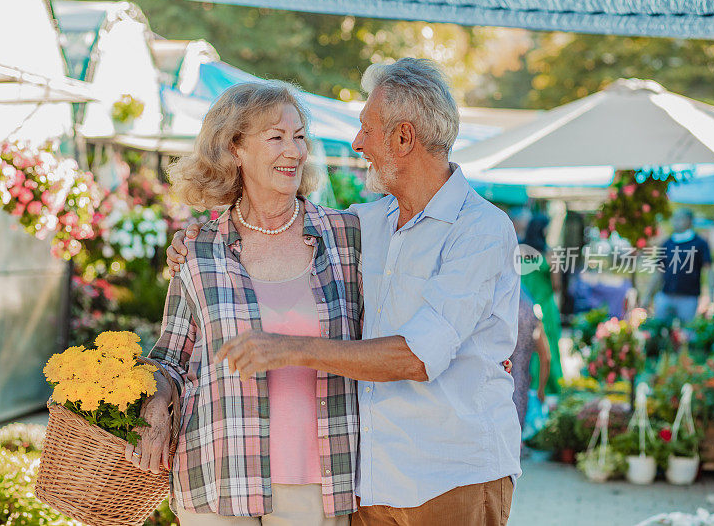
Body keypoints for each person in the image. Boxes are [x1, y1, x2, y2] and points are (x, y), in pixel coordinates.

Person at [168, 58, 520, 525]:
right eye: (277, 136)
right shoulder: (363, 225)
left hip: (451, 473)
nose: (356, 144)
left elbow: (417, 357)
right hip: (372, 483)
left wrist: (289, 349)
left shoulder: (480, 230)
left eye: (366, 130)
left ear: (403, 137)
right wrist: (188, 242)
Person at [126, 82, 361, 526]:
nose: (293, 150)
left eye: (299, 136)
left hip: (318, 479)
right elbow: (170, 360)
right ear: (235, 149)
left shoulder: (346, 238)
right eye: (275, 137)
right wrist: (155, 407)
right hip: (217, 474)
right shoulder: (198, 249)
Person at [510, 209, 563, 395]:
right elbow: (557, 285)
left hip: (521, 307)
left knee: (522, 348)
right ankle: (546, 389)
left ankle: (525, 386)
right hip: (545, 307)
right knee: (547, 349)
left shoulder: (518, 251)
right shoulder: (550, 255)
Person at [642, 208, 714, 323]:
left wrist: (712, 298)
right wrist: (647, 296)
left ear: (690, 221)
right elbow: (658, 272)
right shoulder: (667, 243)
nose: (676, 222)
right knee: (659, 331)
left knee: (686, 333)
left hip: (689, 298)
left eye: (680, 218)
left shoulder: (700, 243)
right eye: (674, 219)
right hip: (665, 296)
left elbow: (709, 270)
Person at [511, 289, 550, 432]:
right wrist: (541, 390)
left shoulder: (503, 303)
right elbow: (546, 357)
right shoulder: (531, 309)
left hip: (493, 384)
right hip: (520, 387)